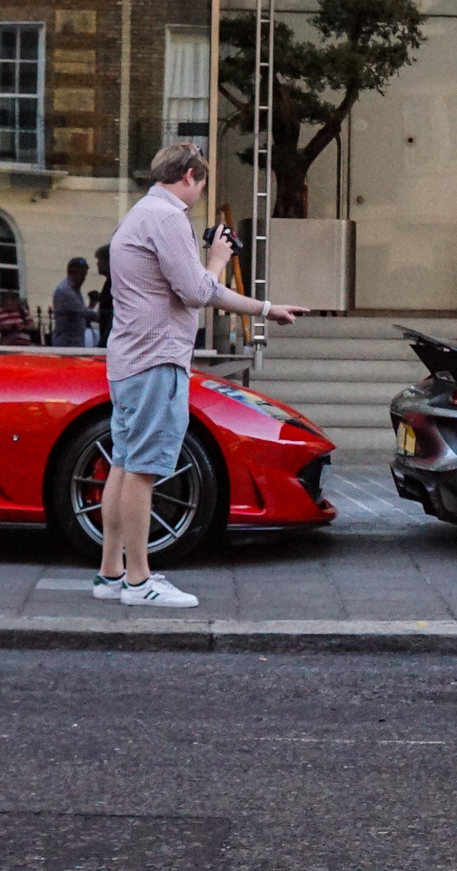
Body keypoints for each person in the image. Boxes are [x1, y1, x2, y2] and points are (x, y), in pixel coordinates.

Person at [95, 144, 307, 607]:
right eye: (203, 182)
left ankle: (111, 573)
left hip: (129, 359)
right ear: (190, 175)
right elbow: (195, 292)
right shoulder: (168, 218)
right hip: (156, 360)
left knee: (124, 464)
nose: (202, 191)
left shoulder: (139, 212)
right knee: (145, 470)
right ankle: (138, 580)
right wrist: (234, 277)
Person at [50, 257, 95, 348]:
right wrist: (107, 316)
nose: (84, 279)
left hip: (75, 343)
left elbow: (81, 314)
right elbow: (83, 312)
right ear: (73, 273)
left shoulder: (74, 290)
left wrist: (92, 303)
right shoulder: (65, 291)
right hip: (66, 344)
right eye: (83, 275)